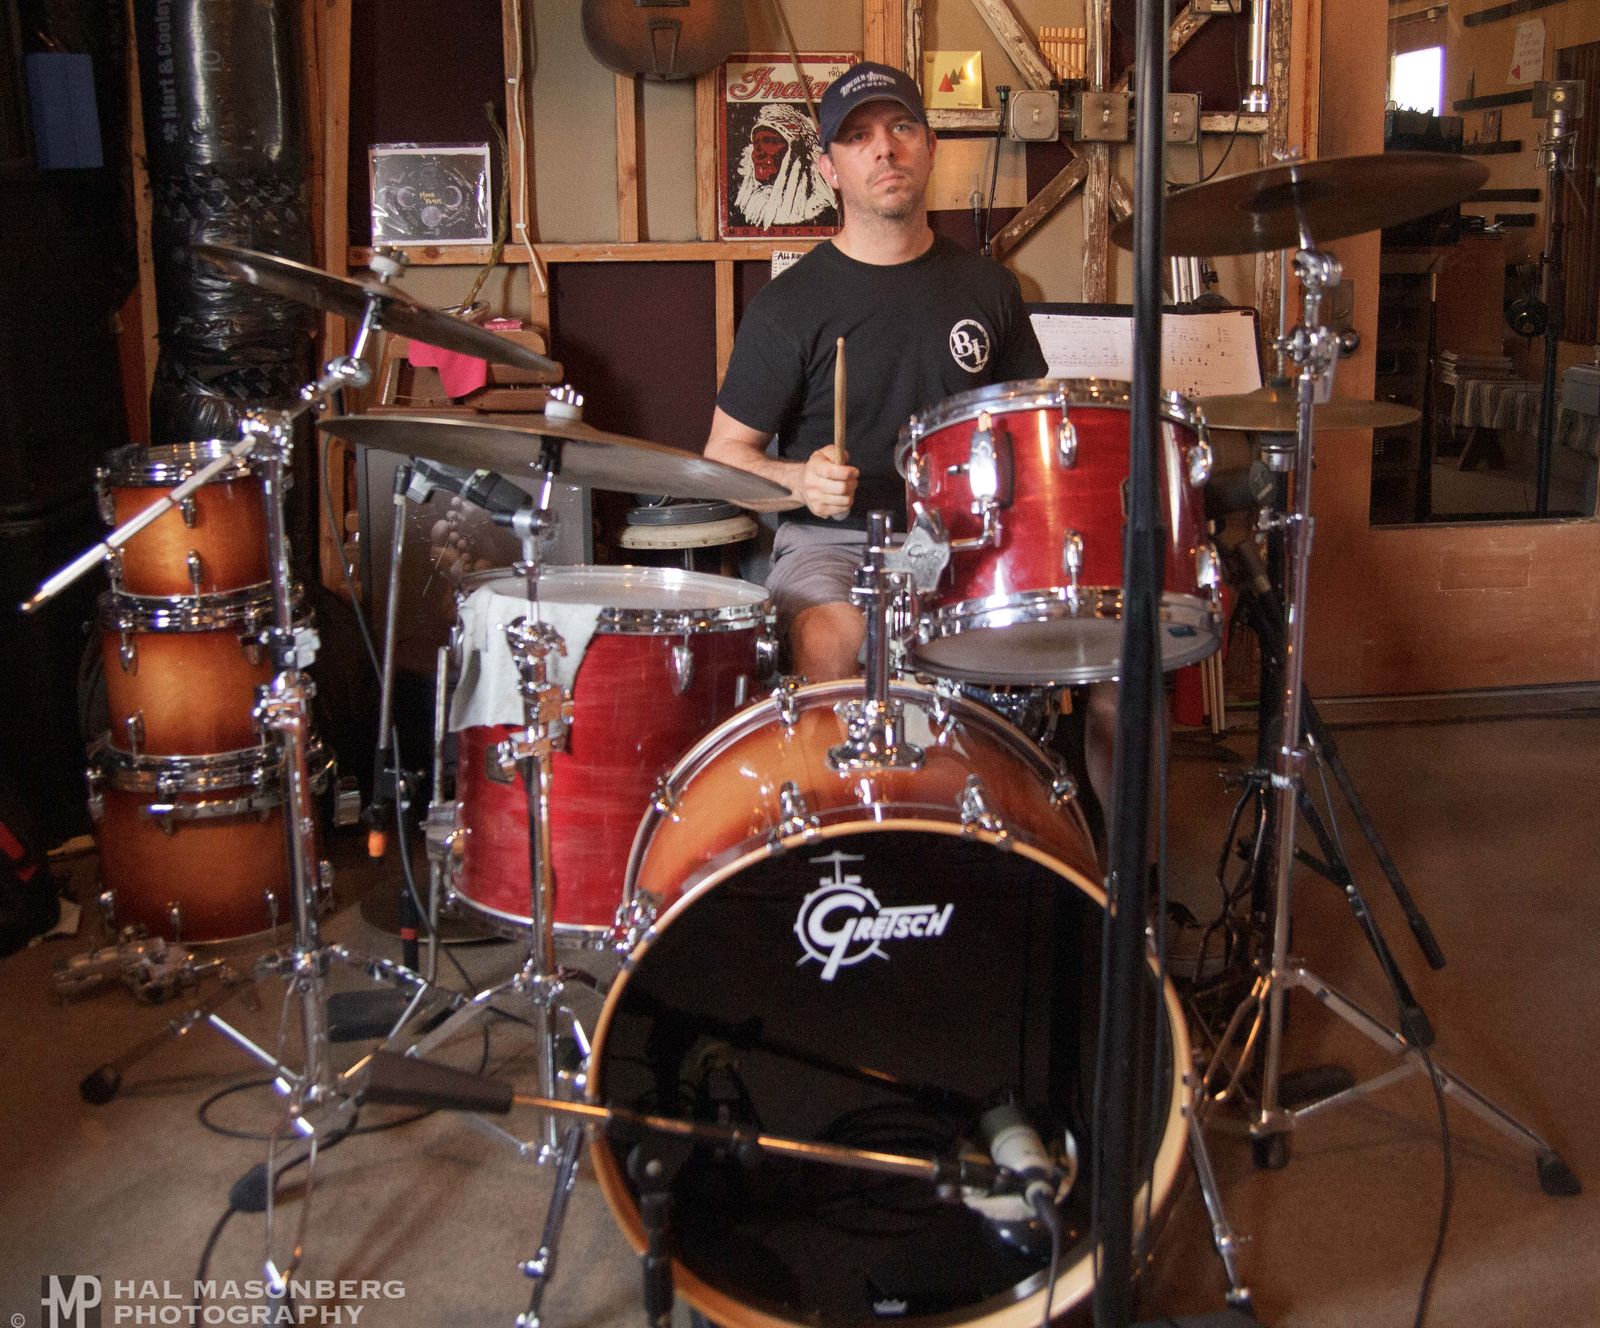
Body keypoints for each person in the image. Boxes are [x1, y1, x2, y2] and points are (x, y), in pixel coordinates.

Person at [705, 61, 1048, 680]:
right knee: (832, 637)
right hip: (831, 543)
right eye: (858, 136)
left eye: (901, 128)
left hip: (965, 534)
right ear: (829, 169)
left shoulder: (990, 289)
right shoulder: (790, 304)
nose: (884, 149)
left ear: (930, 146)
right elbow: (722, 456)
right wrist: (799, 482)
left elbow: (1029, 435)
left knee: (1099, 642)